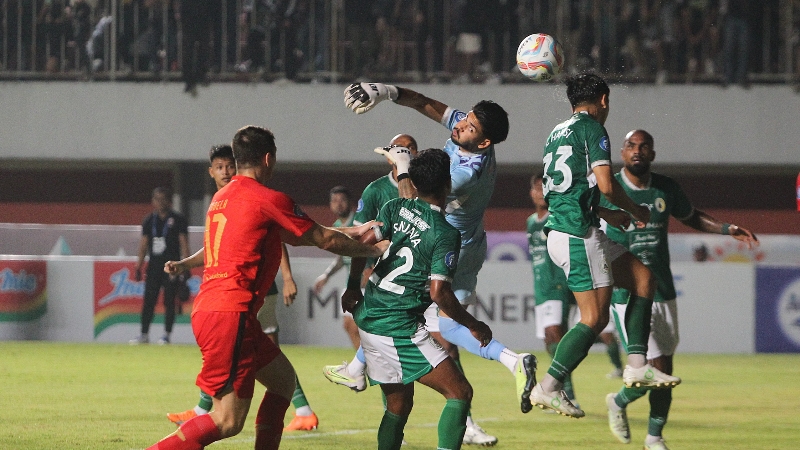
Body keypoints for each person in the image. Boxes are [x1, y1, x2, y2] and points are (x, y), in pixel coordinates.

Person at [146, 129, 385, 450]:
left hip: (219, 310)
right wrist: (375, 249)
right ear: (269, 158)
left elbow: (300, 234)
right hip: (230, 315)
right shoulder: (267, 197)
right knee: (227, 420)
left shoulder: (222, 198)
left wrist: (355, 230)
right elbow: (324, 239)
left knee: (283, 383)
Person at [332, 82, 536, 443]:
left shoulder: (453, 179)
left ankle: (357, 365)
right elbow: (423, 102)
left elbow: (400, 209)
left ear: (484, 142)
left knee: (400, 402)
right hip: (436, 252)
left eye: (470, 127)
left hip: (447, 251)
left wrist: (402, 165)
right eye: (465, 119)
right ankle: (510, 360)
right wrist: (384, 91)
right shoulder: (439, 213)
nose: (460, 126)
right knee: (456, 374)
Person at [531, 73, 681, 418]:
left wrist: (602, 213)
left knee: (644, 279)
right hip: (576, 235)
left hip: (575, 226)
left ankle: (637, 363)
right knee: (594, 318)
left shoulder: (556, 132)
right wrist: (633, 209)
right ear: (603, 99)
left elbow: (561, 190)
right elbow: (607, 184)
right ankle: (548, 387)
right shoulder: (593, 129)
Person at [601, 129, 758, 450]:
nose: (638, 151)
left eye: (644, 147)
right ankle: (621, 405)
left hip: (662, 288)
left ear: (653, 155)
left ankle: (650, 432)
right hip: (627, 292)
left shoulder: (666, 187)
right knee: (647, 369)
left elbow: (691, 216)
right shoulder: (608, 188)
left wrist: (727, 229)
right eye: (631, 146)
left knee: (665, 370)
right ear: (622, 151)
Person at [345, 147, 493, 450]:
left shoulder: (395, 206)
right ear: (447, 184)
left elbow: (361, 244)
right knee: (459, 392)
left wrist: (351, 286)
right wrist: (473, 324)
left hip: (369, 316)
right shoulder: (444, 233)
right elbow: (440, 293)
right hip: (397, 325)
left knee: (398, 404)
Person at [163, 144, 319, 432]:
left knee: (264, 356)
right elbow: (216, 248)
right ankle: (206, 408)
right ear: (211, 172)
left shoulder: (252, 196)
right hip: (231, 299)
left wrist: (287, 277)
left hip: (253, 293)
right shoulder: (222, 201)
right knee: (258, 363)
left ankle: (303, 409)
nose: (225, 171)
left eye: (228, 165)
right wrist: (185, 264)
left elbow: (278, 238)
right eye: (219, 167)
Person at [130, 187, 189, 345]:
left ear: (168, 200)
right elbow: (143, 245)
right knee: (149, 300)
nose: (160, 202)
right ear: (153, 201)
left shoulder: (178, 219)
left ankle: (166, 335)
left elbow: (184, 243)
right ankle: (144, 334)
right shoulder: (149, 220)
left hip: (172, 267)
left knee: (170, 301)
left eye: (163, 199)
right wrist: (138, 266)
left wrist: (186, 266)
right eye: (157, 199)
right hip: (154, 267)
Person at [312, 186, 357, 346]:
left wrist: (373, 267)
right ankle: (365, 365)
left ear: (350, 203)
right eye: (335, 201)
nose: (338, 204)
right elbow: (342, 258)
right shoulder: (337, 225)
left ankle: (367, 366)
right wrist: (327, 275)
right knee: (349, 325)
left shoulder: (360, 222)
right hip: (352, 283)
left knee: (357, 326)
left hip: (369, 281)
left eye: (342, 200)